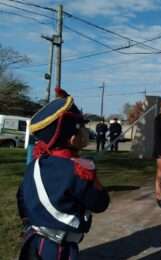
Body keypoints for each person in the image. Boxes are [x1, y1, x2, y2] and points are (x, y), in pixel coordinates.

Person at [17, 87, 110, 260]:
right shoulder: (77, 170)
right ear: (73, 139)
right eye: (82, 126)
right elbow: (100, 203)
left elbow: (21, 197)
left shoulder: (35, 164)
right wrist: (92, 175)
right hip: (59, 250)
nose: (85, 130)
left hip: (33, 242)